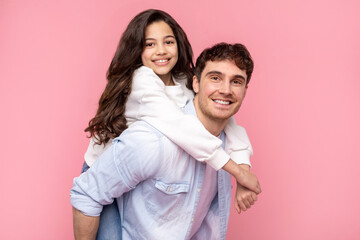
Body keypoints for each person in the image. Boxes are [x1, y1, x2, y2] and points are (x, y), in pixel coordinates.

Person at [80, 9, 261, 238]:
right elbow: (181, 127)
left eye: (168, 42)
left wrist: (243, 168)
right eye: (150, 45)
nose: (161, 51)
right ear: (137, 50)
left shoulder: (184, 81)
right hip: (104, 169)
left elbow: (228, 122)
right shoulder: (142, 81)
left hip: (135, 176)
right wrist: (234, 169)